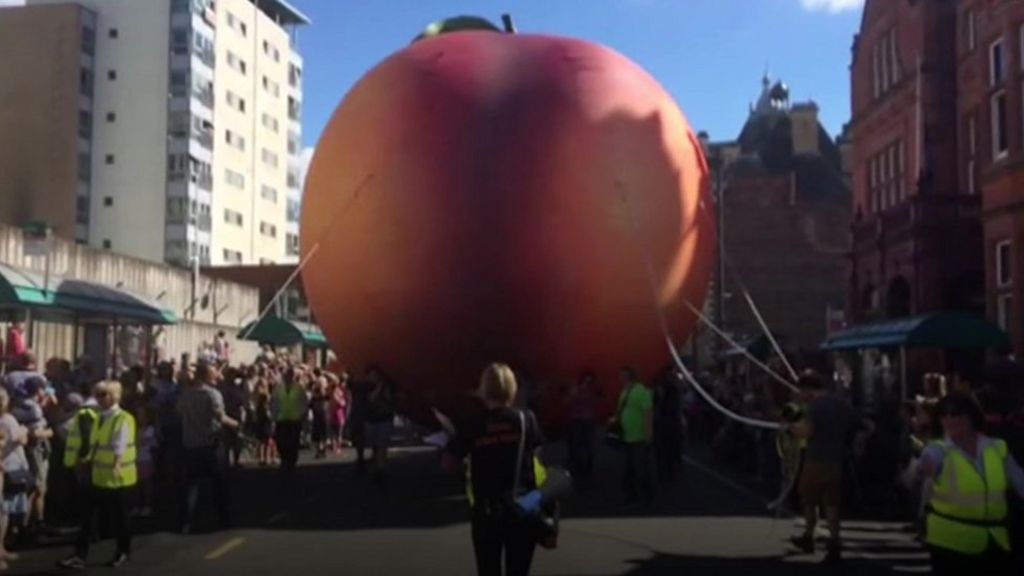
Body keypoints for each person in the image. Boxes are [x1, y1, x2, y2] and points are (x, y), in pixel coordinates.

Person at [443, 363, 543, 576]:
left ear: (483, 389)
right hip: (523, 505)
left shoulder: (472, 423)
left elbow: (448, 463)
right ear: (513, 388)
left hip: (487, 509)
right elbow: (538, 455)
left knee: (488, 569)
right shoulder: (527, 420)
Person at [916, 392, 1024, 576]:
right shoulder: (939, 450)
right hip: (950, 544)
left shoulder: (997, 448)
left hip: (995, 542)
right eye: (944, 415)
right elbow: (925, 466)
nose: (950, 419)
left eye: (956, 413)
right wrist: (924, 468)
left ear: (971, 416)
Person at [788, 370, 866, 564]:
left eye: (802, 391)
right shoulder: (840, 403)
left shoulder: (814, 407)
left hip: (816, 459)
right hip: (836, 461)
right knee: (832, 504)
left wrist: (791, 428)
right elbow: (860, 424)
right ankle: (834, 541)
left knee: (809, 499)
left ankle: (808, 536)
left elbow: (807, 431)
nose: (800, 394)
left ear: (808, 389)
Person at [57, 381, 137, 569]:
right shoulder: (100, 417)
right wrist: (87, 459)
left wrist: (116, 463)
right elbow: (96, 443)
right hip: (98, 475)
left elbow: (120, 442)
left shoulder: (122, 418)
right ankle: (80, 555)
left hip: (118, 478)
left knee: (120, 519)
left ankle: (123, 552)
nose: (99, 398)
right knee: (87, 517)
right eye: (97, 394)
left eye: (103, 394)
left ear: (114, 396)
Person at [177, 362, 238, 534]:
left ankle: (187, 522)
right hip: (210, 444)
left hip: (190, 444)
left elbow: (179, 411)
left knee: (191, 485)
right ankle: (223, 520)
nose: (216, 376)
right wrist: (236, 424)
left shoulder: (186, 394)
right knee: (219, 484)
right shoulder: (212, 394)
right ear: (206, 376)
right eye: (213, 373)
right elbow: (220, 417)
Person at [614, 367, 654, 504]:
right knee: (630, 467)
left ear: (629, 377)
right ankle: (632, 493)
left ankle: (646, 493)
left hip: (639, 435)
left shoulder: (640, 391)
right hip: (627, 435)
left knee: (640, 466)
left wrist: (648, 433)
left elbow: (648, 412)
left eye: (622, 376)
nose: (620, 379)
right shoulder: (624, 391)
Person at [0, 388, 30, 570]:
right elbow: (19, 439)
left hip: (5, 468)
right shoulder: (8, 420)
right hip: (8, 466)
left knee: (4, 511)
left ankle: (1, 548)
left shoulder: (7, 419)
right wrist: (24, 431)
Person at [565, 372, 599, 488]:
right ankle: (579, 469)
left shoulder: (592, 390)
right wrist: (575, 394)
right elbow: (568, 402)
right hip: (577, 420)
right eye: (585, 379)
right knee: (577, 445)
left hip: (588, 420)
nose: (587, 382)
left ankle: (587, 470)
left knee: (588, 445)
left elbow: (596, 402)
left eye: (589, 380)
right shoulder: (576, 389)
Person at [364, 366, 396, 483]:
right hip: (371, 419)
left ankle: (380, 469)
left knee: (382, 444)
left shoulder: (388, 386)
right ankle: (376, 464)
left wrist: (384, 387)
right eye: (372, 374)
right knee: (374, 445)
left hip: (384, 419)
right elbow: (371, 399)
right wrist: (379, 386)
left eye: (376, 374)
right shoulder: (367, 387)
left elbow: (391, 400)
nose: (374, 377)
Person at [273, 367, 307, 475]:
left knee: (293, 442)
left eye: (290, 375)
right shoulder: (278, 389)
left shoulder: (299, 389)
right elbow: (274, 402)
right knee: (281, 441)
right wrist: (274, 415)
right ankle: (284, 458)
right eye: (286, 375)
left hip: (294, 419)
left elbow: (304, 403)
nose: (288, 377)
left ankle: (291, 462)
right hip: (281, 419)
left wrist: (302, 415)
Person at [310, 378, 331, 459]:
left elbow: (335, 381)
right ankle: (319, 451)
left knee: (324, 435)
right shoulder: (314, 396)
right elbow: (310, 406)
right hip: (317, 417)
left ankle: (323, 450)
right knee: (318, 436)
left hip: (324, 416)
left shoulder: (326, 395)